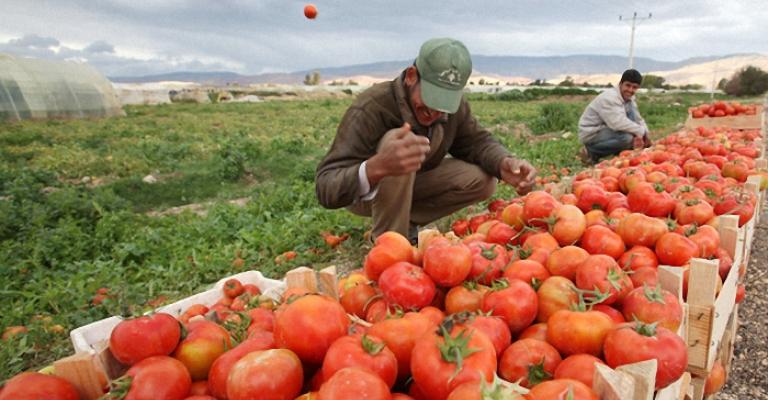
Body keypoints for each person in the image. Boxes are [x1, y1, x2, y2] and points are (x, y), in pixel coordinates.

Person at [315, 37, 537, 243]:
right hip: (367, 193)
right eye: (431, 98)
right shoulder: (372, 107)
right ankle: (390, 244)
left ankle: (407, 222)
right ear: (411, 76)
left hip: (415, 184)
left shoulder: (452, 108)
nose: (435, 111)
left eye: (444, 103)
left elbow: (475, 142)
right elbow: (326, 186)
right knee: (400, 142)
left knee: (482, 180)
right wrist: (377, 166)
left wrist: (503, 162)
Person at [578, 69, 651, 164]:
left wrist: (646, 135)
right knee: (627, 139)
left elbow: (638, 119)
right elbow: (617, 123)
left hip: (608, 129)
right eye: (628, 85)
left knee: (632, 122)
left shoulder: (629, 98)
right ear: (621, 83)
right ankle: (590, 151)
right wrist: (640, 132)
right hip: (592, 132)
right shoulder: (610, 98)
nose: (630, 90)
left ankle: (618, 153)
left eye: (634, 87)